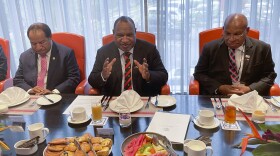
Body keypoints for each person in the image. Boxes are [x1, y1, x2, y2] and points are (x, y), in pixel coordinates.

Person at [194, 13, 276, 96]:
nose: (231, 39)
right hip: (220, 97)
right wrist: (219, 88)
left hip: (249, 97)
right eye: (227, 33)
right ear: (223, 30)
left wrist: (250, 89)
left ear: (247, 31)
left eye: (237, 34)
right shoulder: (210, 48)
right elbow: (199, 73)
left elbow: (270, 75)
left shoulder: (262, 48)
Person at [88, 16, 168, 96]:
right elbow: (92, 80)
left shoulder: (149, 50)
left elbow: (163, 76)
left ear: (135, 32)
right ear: (113, 33)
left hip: (142, 100)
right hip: (115, 101)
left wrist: (149, 76)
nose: (125, 40)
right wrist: (103, 75)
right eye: (120, 35)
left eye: (129, 35)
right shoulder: (103, 52)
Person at [13, 23, 80, 95]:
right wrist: (30, 90)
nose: (38, 47)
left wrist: (54, 92)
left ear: (50, 37)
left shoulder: (66, 53)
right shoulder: (24, 56)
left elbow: (74, 78)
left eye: (42, 42)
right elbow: (17, 80)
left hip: (57, 97)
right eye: (34, 44)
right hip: (32, 98)